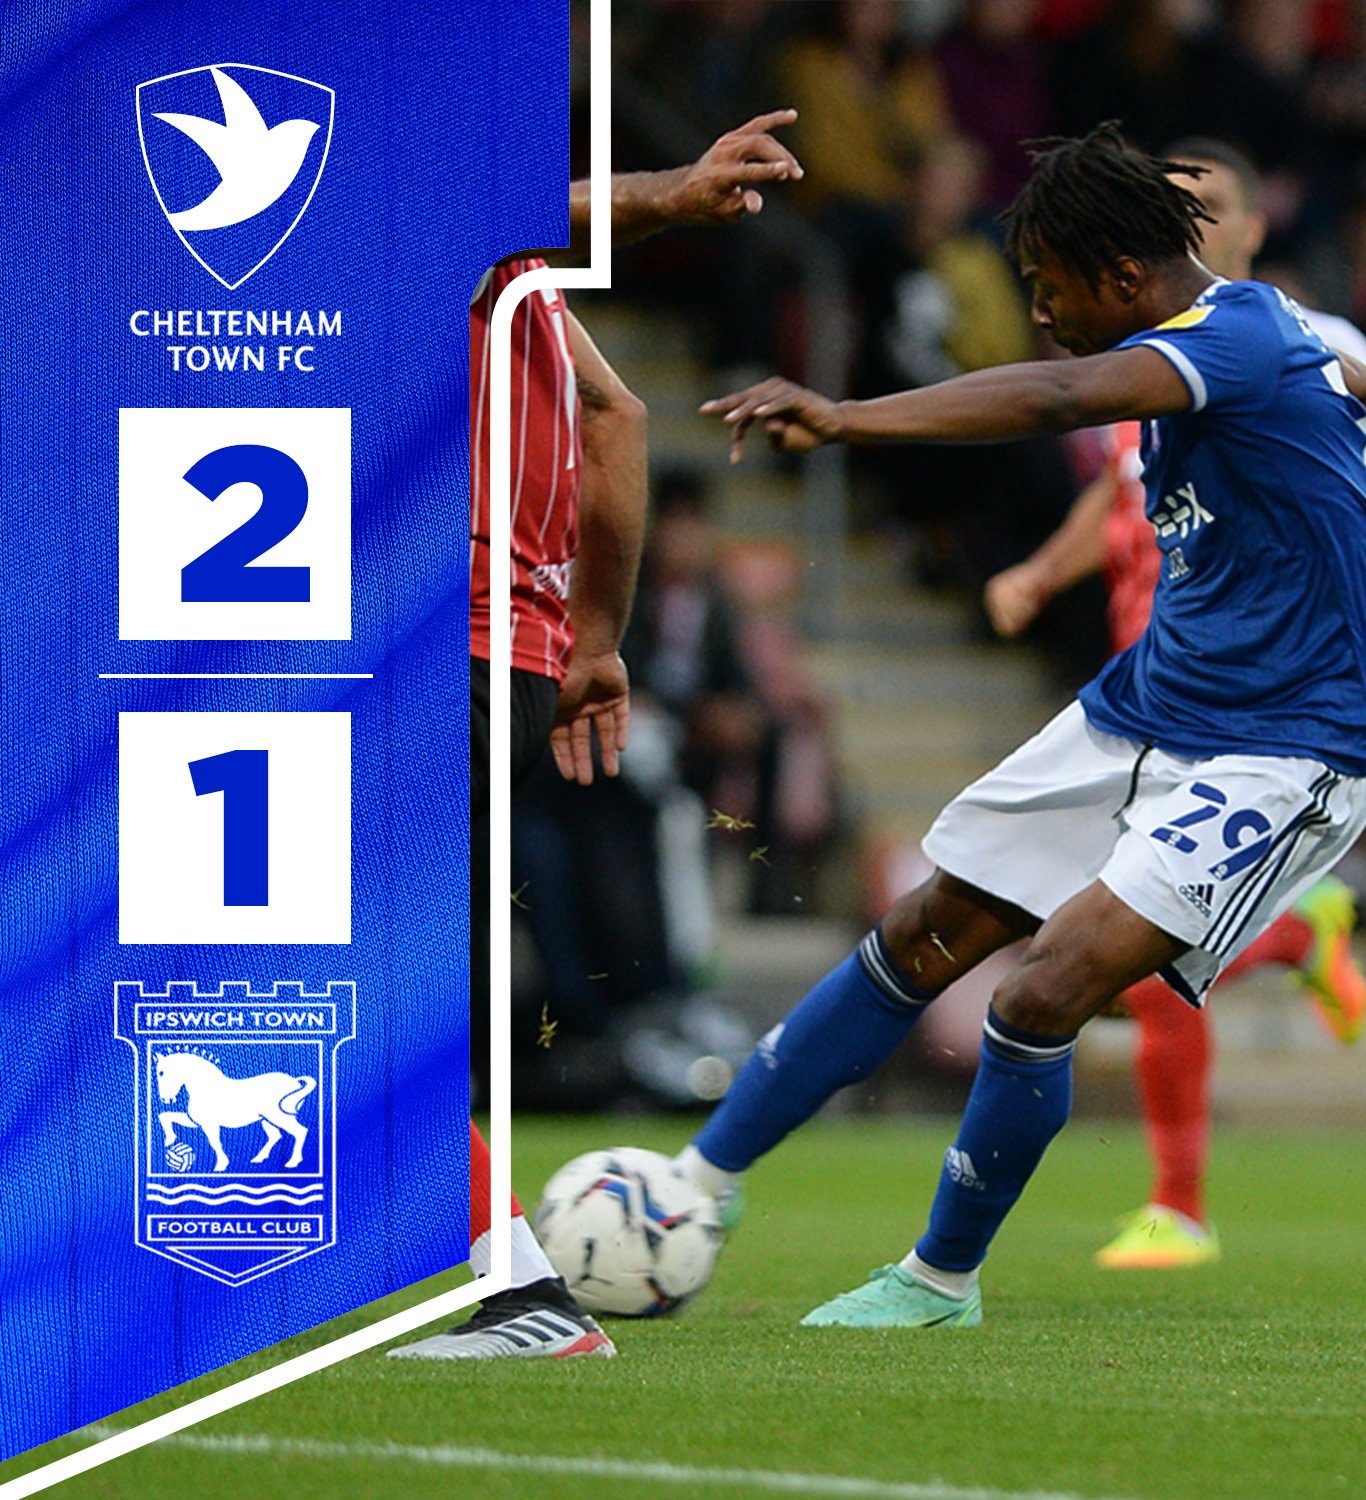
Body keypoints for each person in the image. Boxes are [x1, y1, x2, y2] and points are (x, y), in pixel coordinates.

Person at [678, 123, 1366, 1329]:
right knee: (925, 930)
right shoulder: (1258, 343)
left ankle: (938, 1280)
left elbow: (1055, 395)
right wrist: (1354, 579)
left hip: (1284, 748)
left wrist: (845, 416)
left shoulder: (1229, 338)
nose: (1039, 312)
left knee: (1043, 989)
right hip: (1148, 704)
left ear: (1125, 277)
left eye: (1050, 286)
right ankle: (695, 1185)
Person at [981, 137, 1366, 1269]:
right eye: (1169, 200)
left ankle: (1180, 1207)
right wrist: (1041, 575)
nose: (1184, 218)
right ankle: (1299, 938)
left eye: (1206, 203)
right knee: (1099, 960)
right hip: (1160, 680)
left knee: (1121, 961)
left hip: (1274, 697)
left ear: (1252, 228)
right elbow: (1122, 492)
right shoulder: (1145, 344)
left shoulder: (1312, 339)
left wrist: (1347, 582)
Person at [390, 114, 803, 1360]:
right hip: (514, 658)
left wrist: (670, 194)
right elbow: (617, 416)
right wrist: (595, 645)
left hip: (430, 649)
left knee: (328, 972)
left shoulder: (386, 235)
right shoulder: (520, 291)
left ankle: (518, 1293)